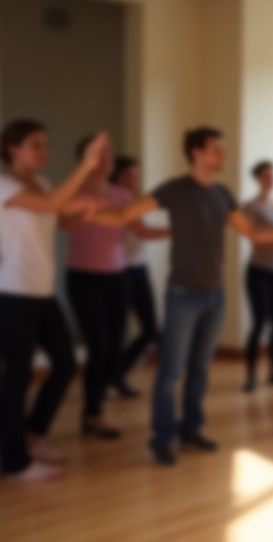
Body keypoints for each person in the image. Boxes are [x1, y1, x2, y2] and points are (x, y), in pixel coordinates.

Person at [92, 127, 273, 466]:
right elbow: (124, 214)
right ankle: (162, 438)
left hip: (215, 295)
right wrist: (87, 212)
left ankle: (191, 430)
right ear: (197, 153)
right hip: (183, 294)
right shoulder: (175, 189)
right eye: (216, 148)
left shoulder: (223, 194)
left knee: (200, 369)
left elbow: (252, 232)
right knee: (171, 370)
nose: (223, 154)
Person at [0, 120, 106, 481]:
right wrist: (86, 165)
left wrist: (84, 214)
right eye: (35, 145)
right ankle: (14, 461)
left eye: (46, 145)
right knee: (17, 377)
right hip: (13, 293)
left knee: (64, 364)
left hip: (43, 292)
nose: (44, 152)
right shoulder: (5, 186)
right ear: (13, 149)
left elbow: (60, 220)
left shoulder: (44, 184)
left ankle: (32, 435)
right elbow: (50, 204)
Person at [63, 138, 163, 437]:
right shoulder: (72, 191)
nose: (108, 158)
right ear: (85, 158)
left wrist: (178, 230)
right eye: (100, 154)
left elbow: (140, 230)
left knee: (114, 344)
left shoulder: (121, 195)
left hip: (117, 277)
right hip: (83, 278)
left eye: (109, 153)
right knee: (99, 345)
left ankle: (100, 397)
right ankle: (92, 414)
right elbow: (64, 224)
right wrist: (87, 209)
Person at [108, 156, 168, 398]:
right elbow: (142, 232)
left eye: (136, 175)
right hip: (120, 271)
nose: (133, 179)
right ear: (117, 176)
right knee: (117, 331)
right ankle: (111, 378)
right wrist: (178, 231)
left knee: (150, 330)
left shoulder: (136, 200)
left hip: (140, 269)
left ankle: (115, 375)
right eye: (128, 175)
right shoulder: (116, 199)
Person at [241, 160, 273, 392]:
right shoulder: (250, 207)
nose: (271, 179)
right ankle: (251, 375)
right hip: (259, 272)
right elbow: (257, 240)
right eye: (267, 176)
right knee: (259, 322)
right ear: (258, 179)